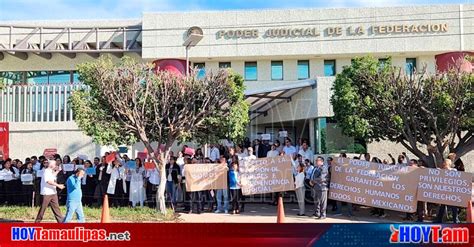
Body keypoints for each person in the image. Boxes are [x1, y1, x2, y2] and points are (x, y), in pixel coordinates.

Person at [435, 159, 460, 223]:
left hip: (452, 193)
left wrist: (447, 170)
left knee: (454, 207)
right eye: (444, 163)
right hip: (444, 192)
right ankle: (439, 220)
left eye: (445, 163)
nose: (444, 164)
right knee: (442, 207)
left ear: (449, 164)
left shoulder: (454, 170)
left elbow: (457, 176)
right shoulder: (441, 170)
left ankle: (456, 220)